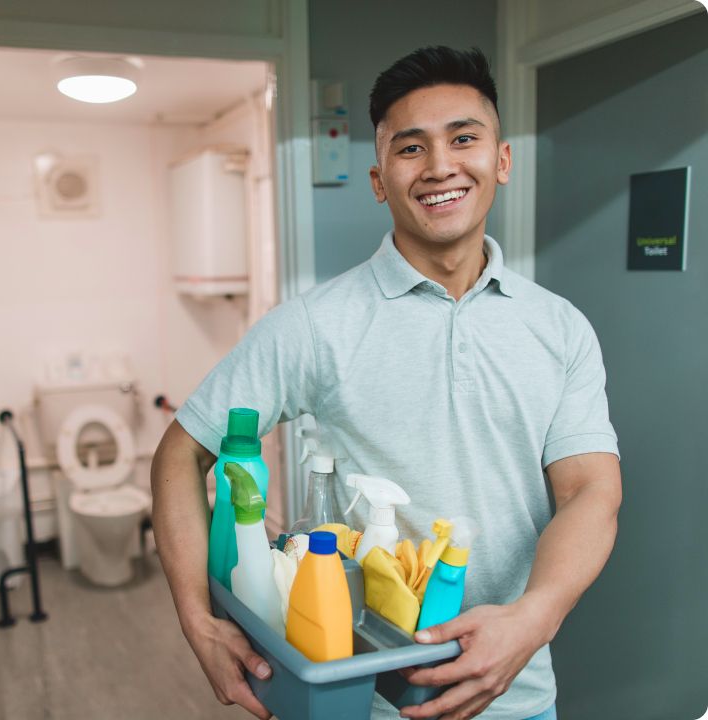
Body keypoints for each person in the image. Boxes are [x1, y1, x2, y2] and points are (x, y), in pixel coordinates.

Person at [151, 46, 622, 720]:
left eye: (464, 138)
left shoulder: (560, 328)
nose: (439, 167)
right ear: (379, 180)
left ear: (503, 160)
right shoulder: (315, 326)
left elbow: (591, 491)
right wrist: (197, 622)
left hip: (517, 696)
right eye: (410, 148)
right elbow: (181, 450)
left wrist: (535, 618)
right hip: (359, 699)